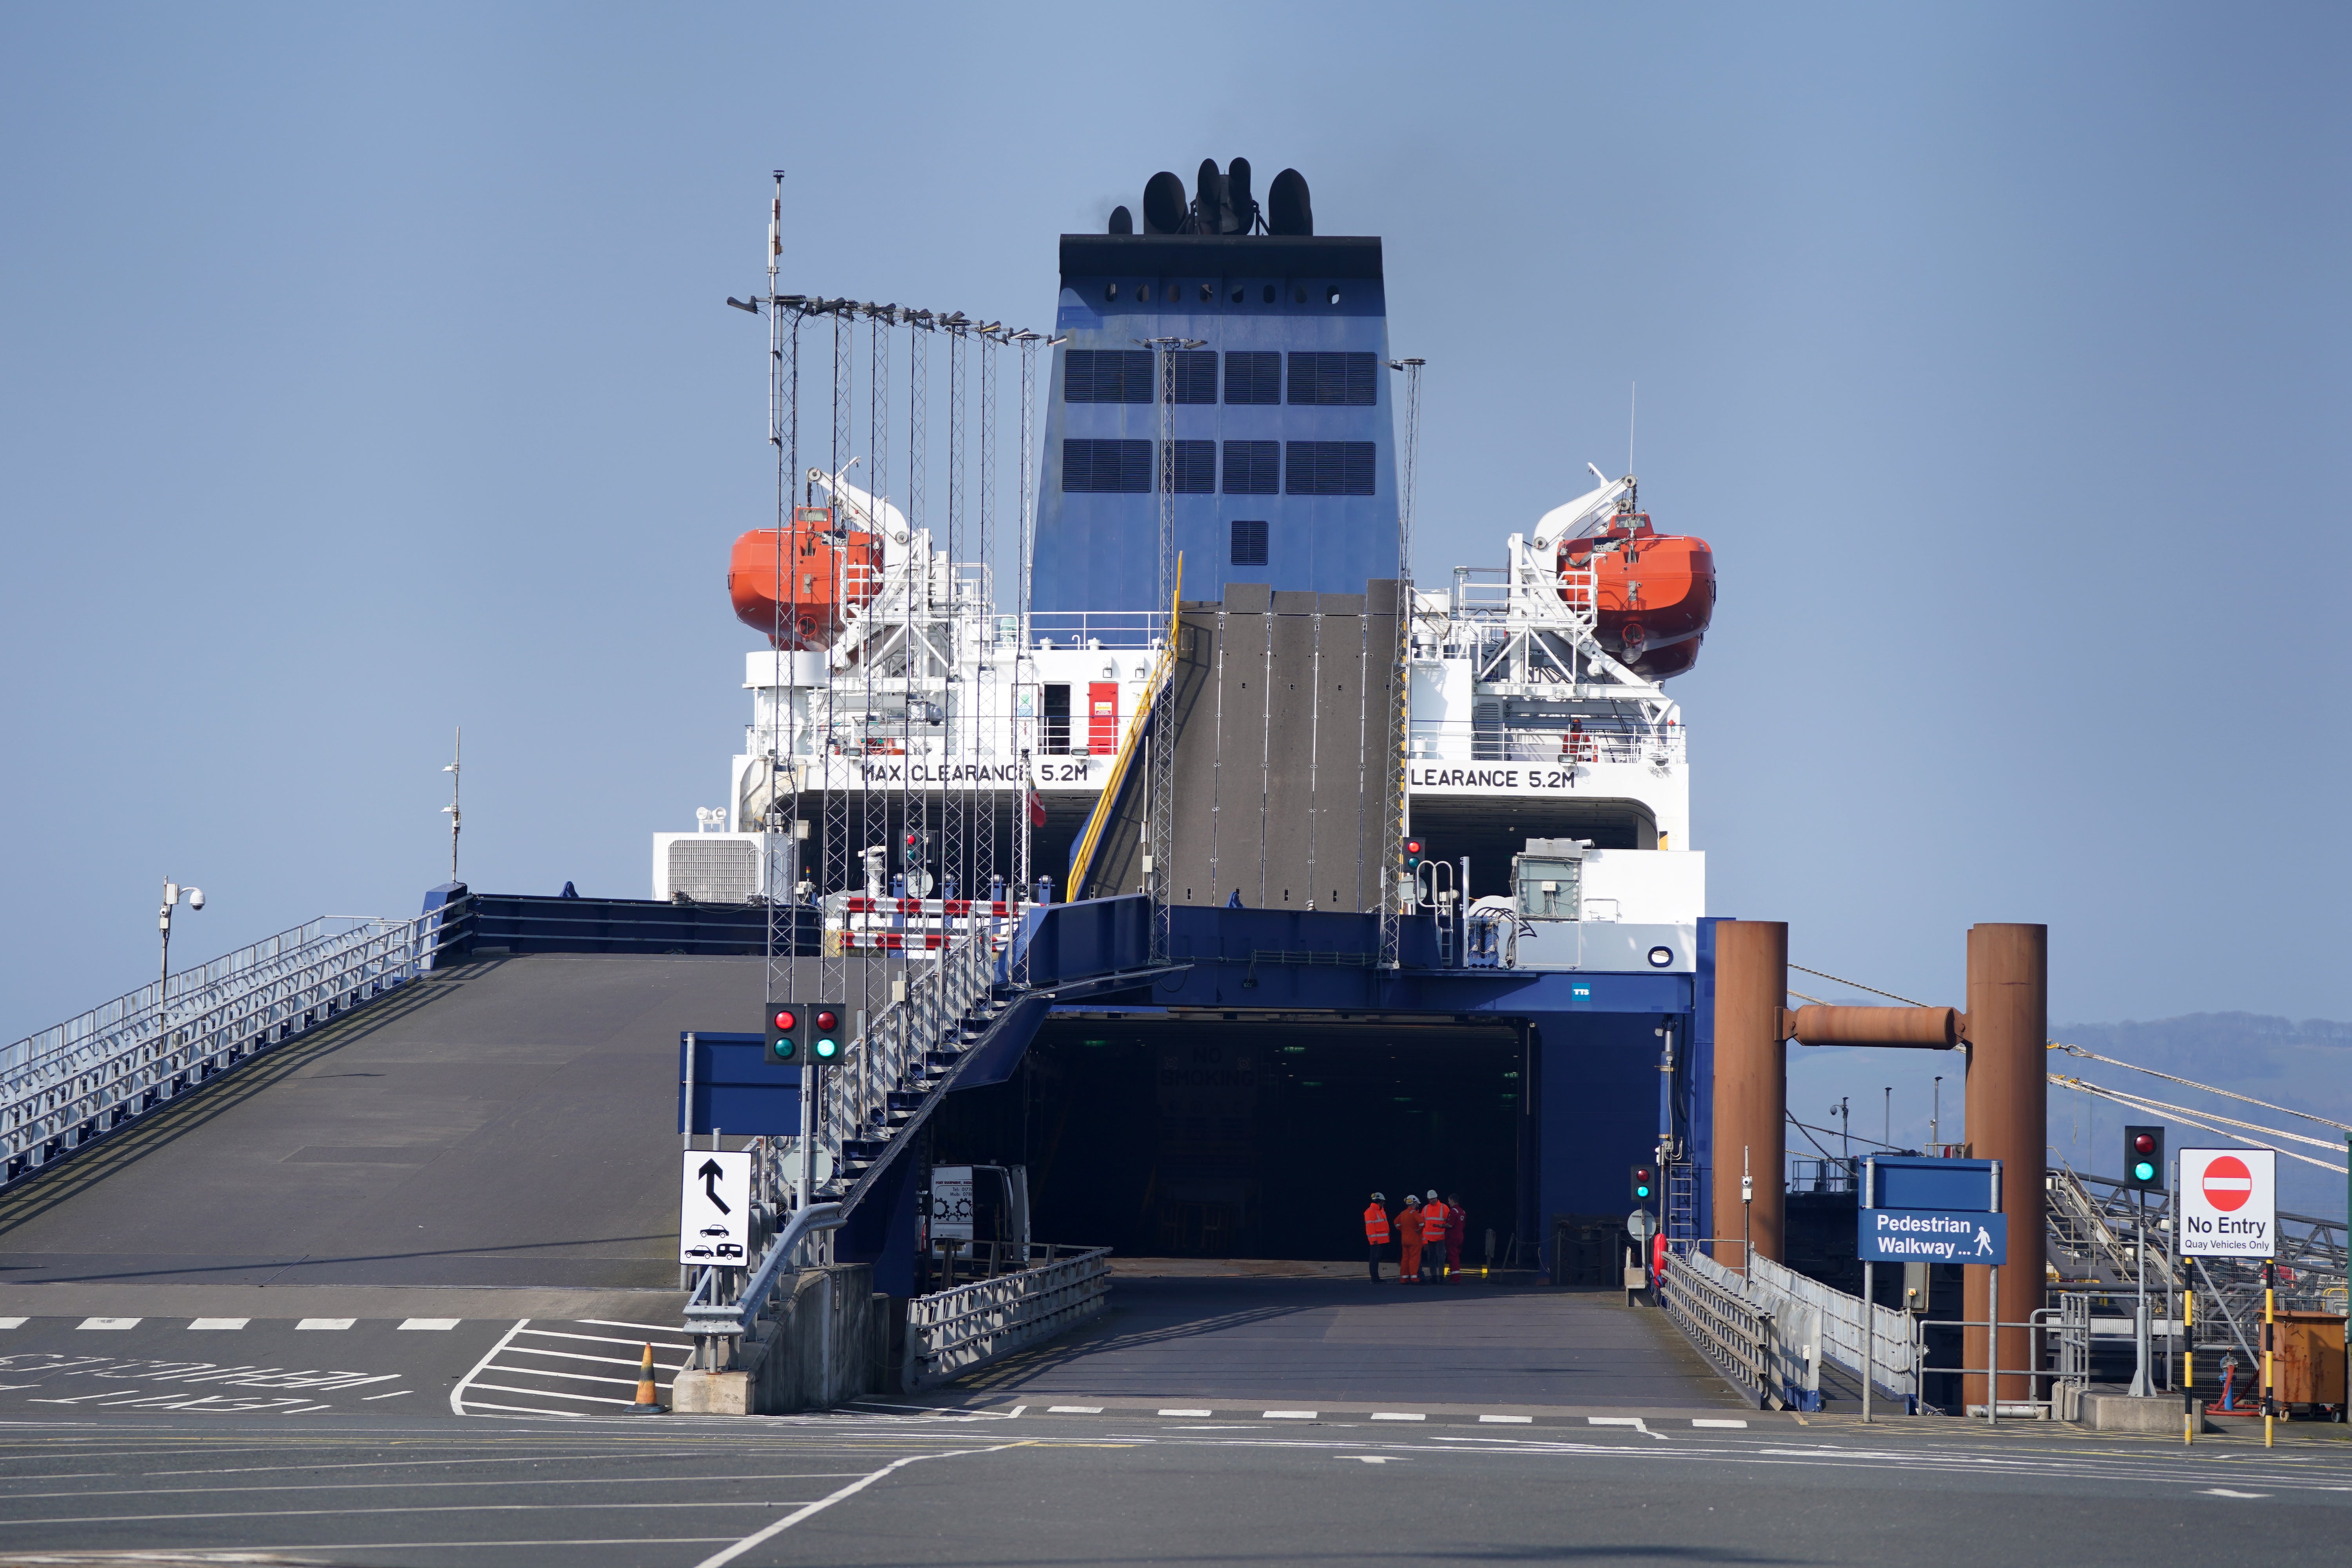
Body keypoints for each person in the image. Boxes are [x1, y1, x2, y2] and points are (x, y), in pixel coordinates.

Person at [1419, 1190, 1450, 1282]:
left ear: (1437, 1198)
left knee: (1441, 1257)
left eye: (1434, 1199)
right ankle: (1434, 1276)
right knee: (1431, 1258)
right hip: (1429, 1239)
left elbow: (1449, 1222)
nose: (1433, 1200)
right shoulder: (1426, 1209)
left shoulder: (1444, 1208)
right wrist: (1424, 1241)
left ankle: (1441, 1277)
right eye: (1431, 1199)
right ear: (1428, 1199)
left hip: (1441, 1238)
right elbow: (1422, 1225)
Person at [1361, 1192, 1391, 1283]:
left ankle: (1376, 1277)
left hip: (1381, 1240)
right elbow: (1370, 1227)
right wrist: (1374, 1239)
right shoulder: (1371, 1211)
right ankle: (1375, 1278)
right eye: (1383, 1202)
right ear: (1378, 1202)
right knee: (1374, 1259)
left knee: (1377, 1259)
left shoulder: (1381, 1211)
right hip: (1376, 1241)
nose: (1384, 1204)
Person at [1397, 1195, 1423, 1285]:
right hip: (1414, 1240)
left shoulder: (1403, 1213)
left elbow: (1396, 1223)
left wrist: (1403, 1230)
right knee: (1414, 1259)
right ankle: (1414, 1278)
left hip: (1405, 1239)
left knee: (1405, 1259)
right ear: (1414, 1203)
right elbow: (1422, 1222)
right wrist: (1419, 1230)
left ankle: (1404, 1278)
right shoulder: (1414, 1213)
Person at [1445, 1192, 1467, 1280]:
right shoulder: (1463, 1211)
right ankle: (1455, 1276)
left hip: (1453, 1238)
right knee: (1456, 1256)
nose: (1449, 1203)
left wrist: (1441, 1226)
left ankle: (1455, 1278)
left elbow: (1450, 1225)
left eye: (1449, 1201)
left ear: (1453, 1201)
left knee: (1453, 1257)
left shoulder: (1454, 1211)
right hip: (1460, 1237)